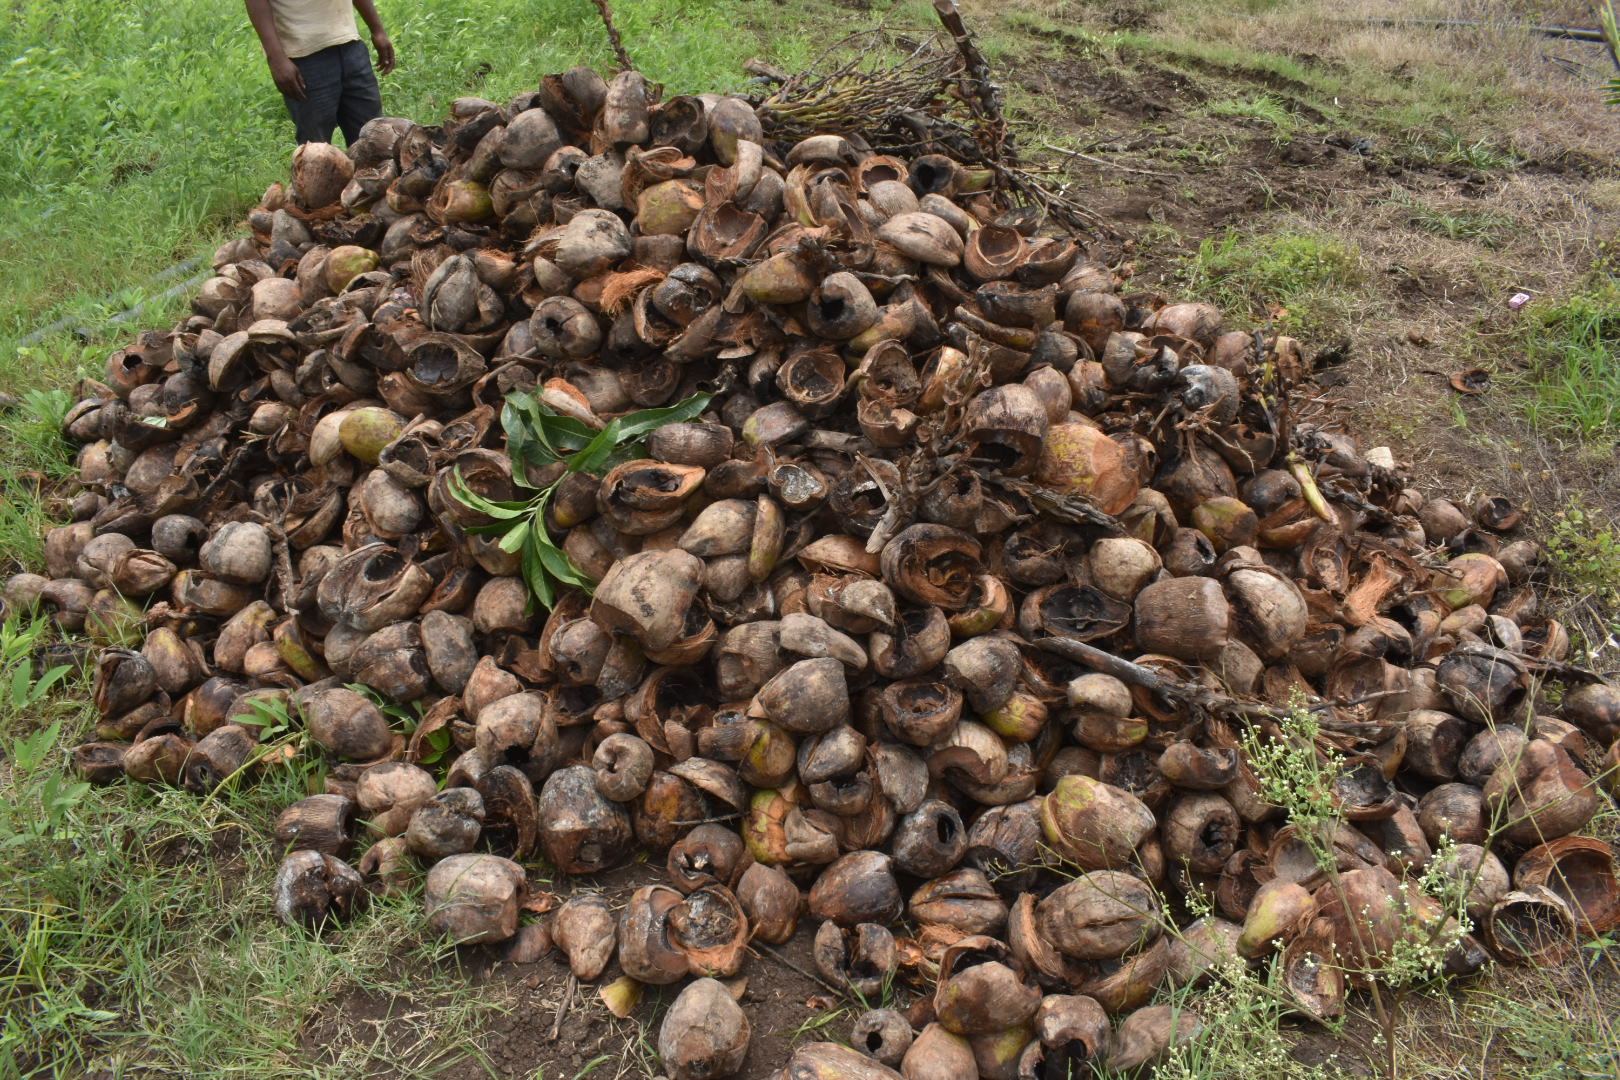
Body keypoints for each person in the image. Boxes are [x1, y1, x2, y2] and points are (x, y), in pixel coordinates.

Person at [245, 0, 397, 145]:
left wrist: (377, 30)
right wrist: (276, 58)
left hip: (350, 45)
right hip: (304, 57)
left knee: (373, 139)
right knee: (316, 150)